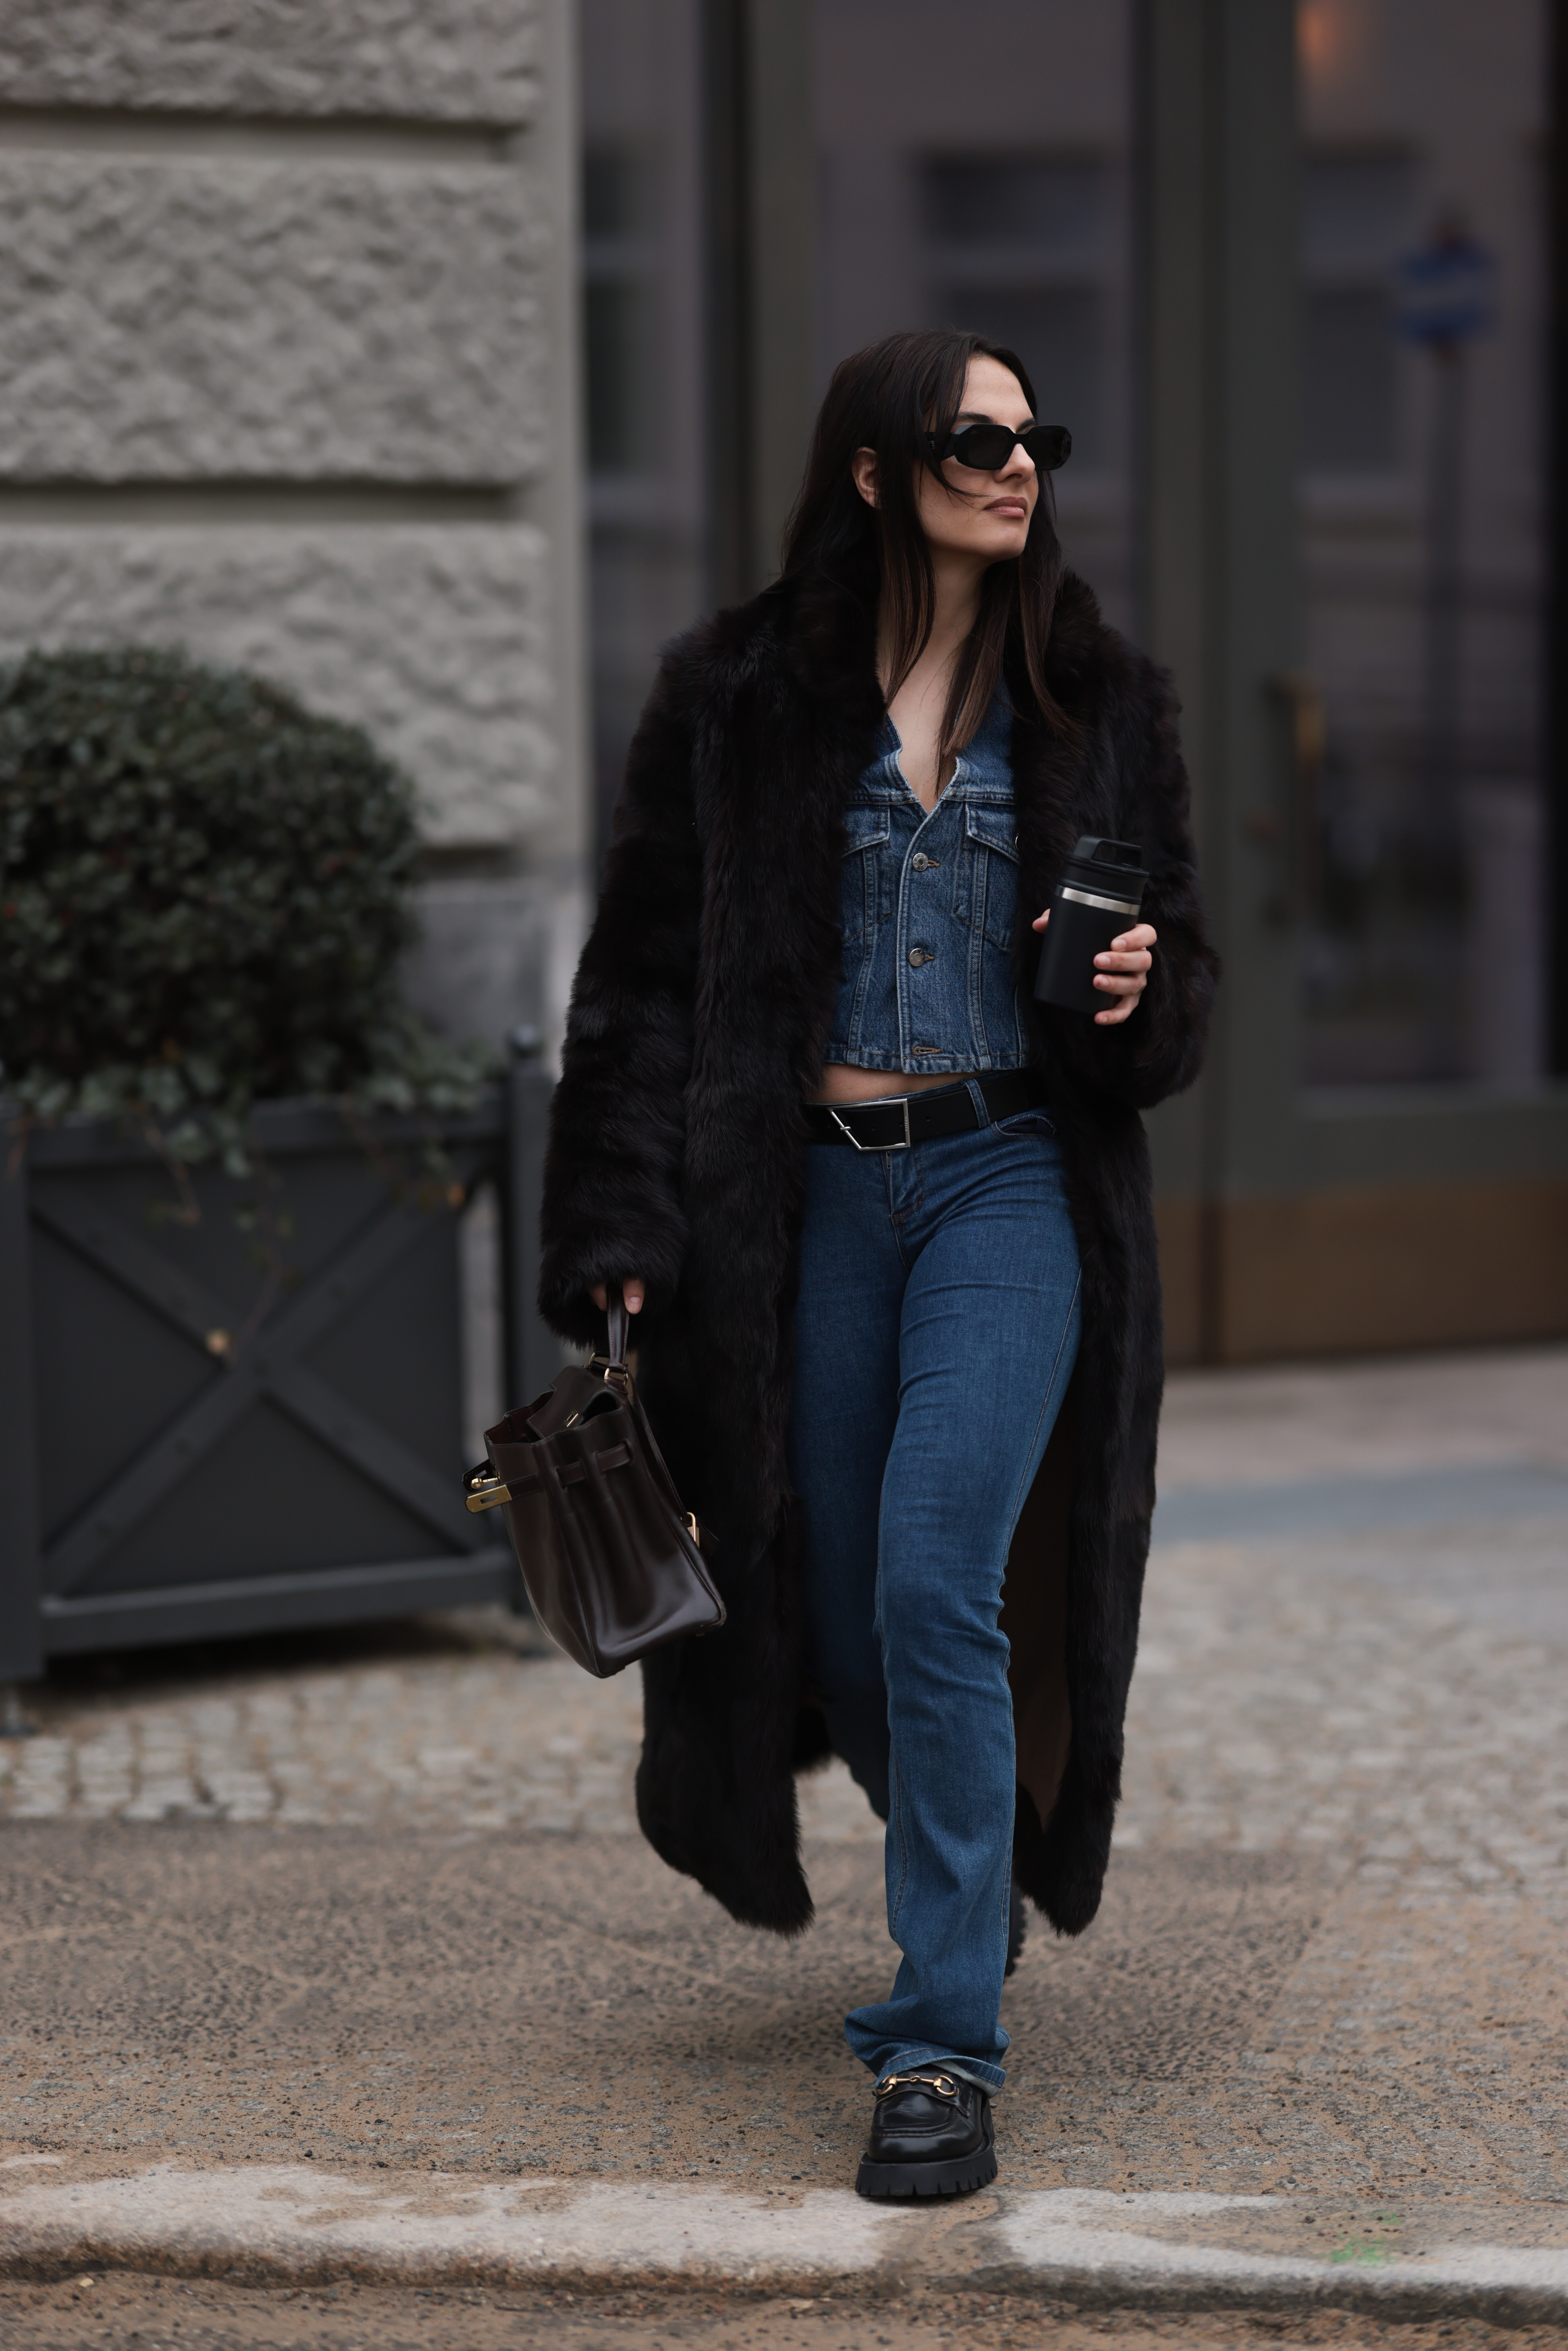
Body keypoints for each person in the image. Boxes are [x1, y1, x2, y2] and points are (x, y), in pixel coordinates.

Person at [539, 328, 1217, 2201]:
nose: (1017, 468)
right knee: (827, 1607)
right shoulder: (734, 695)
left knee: (939, 1577)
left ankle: (934, 2047)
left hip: (1005, 1178)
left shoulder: (1095, 700)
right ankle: (960, 1862)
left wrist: (1135, 996)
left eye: (1034, 440)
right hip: (808, 1203)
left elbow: (1171, 1010)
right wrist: (612, 1230)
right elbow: (642, 989)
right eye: (973, 438)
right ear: (871, 470)